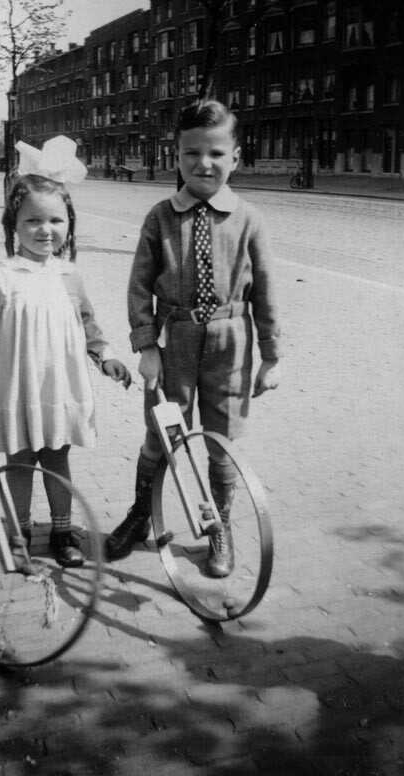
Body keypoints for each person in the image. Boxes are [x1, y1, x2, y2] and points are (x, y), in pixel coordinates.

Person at [105, 100, 281, 577]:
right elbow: (139, 286)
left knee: (222, 440)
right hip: (175, 341)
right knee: (162, 432)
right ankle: (141, 513)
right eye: (192, 153)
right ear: (177, 156)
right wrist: (147, 348)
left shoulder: (248, 219)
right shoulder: (160, 217)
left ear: (235, 158)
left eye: (216, 153)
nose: (204, 164)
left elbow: (266, 290)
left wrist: (271, 357)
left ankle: (218, 526)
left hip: (231, 342)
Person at [0, 136, 131, 568]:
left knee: (56, 457)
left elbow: (87, 322)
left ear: (69, 223)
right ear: (13, 225)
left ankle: (61, 531)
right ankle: (18, 533)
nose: (45, 229)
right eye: (33, 220)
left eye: (55, 220)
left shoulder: (69, 274)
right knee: (19, 460)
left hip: (58, 387)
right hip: (17, 387)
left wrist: (105, 355)